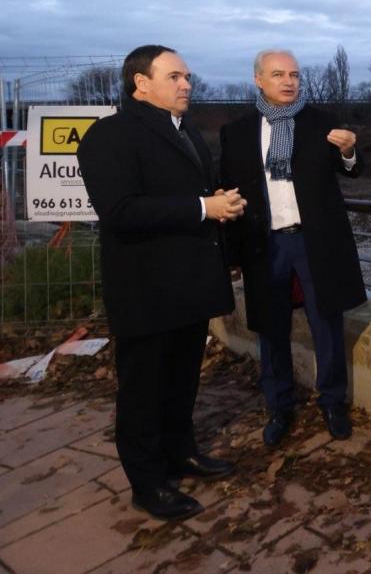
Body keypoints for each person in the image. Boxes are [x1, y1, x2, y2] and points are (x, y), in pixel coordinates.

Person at [77, 45, 246, 521]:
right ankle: (147, 484)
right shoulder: (109, 135)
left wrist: (213, 200)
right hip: (146, 288)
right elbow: (120, 211)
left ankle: (181, 454)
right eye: (174, 76)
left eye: (187, 76)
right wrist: (202, 208)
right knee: (143, 391)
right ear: (141, 84)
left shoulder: (183, 129)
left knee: (180, 382)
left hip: (188, 285)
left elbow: (177, 192)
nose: (187, 84)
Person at [219, 49, 366, 447]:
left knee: (327, 324)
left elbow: (350, 168)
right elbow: (228, 190)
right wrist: (233, 254)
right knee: (270, 327)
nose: (289, 81)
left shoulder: (321, 123)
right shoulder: (236, 131)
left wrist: (350, 150)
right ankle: (280, 406)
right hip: (264, 243)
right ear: (259, 80)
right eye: (279, 74)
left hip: (314, 242)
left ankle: (333, 402)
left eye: (295, 75)